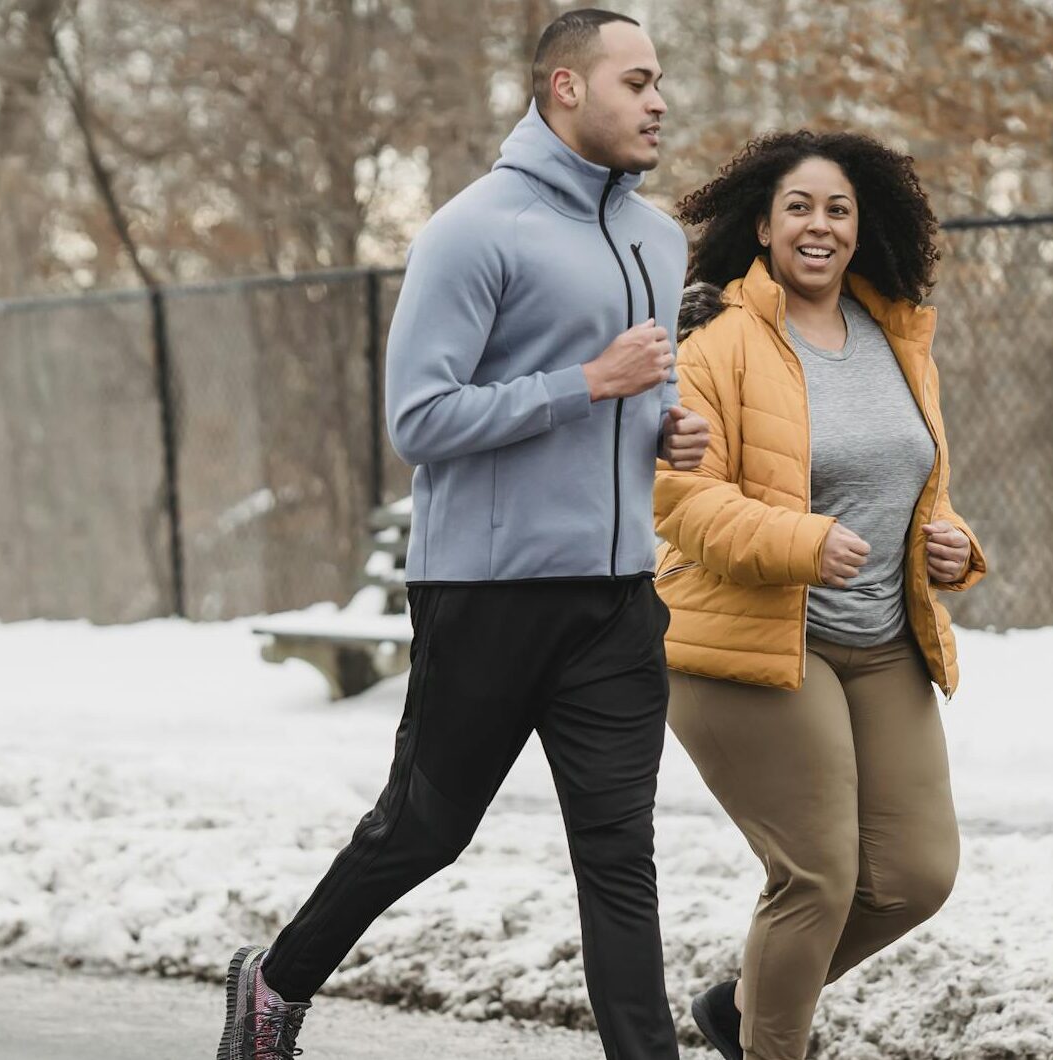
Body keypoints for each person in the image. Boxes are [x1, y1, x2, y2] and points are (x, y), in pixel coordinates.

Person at [217, 10, 710, 1060]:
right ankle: (274, 983)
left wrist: (662, 431)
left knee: (620, 855)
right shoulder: (471, 230)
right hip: (487, 594)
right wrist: (592, 384)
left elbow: (619, 403)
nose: (658, 99)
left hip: (618, 596)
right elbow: (421, 421)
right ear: (566, 88)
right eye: (637, 80)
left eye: (659, 80)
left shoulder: (658, 238)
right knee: (424, 832)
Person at [652, 131, 989, 1060]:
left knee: (916, 875)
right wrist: (802, 541)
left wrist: (951, 546)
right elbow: (681, 501)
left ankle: (737, 1009)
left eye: (838, 209)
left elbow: (913, 481)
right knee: (819, 877)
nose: (820, 225)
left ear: (860, 228)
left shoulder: (897, 339)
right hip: (749, 643)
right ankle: (771, 1046)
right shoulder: (716, 343)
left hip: (882, 641)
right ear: (761, 225)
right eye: (799, 206)